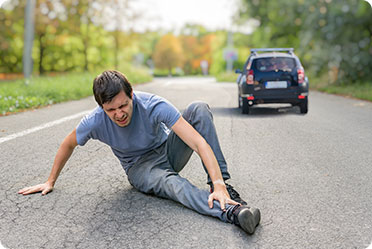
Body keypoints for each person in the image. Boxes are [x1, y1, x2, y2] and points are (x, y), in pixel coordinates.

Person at [18, 70, 261, 234]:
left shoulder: (153, 105)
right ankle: (231, 211)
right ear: (101, 107)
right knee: (174, 185)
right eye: (111, 109)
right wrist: (50, 181)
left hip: (167, 151)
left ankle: (223, 190)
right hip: (141, 168)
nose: (119, 113)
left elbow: (197, 142)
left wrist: (217, 182)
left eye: (123, 105)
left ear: (132, 95)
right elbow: (67, 144)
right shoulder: (94, 122)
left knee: (198, 108)